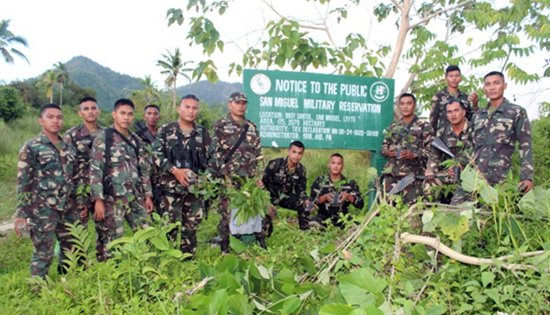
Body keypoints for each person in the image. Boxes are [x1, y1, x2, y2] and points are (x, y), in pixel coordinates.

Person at [451, 71, 534, 204]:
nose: (492, 87)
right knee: (454, 213)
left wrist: (527, 177)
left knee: (492, 219)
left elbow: (525, 145)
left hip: (500, 179)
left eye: (496, 83)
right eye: (488, 84)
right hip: (474, 178)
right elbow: (470, 146)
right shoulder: (479, 115)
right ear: (484, 89)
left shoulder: (516, 112)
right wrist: (459, 165)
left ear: (504, 86)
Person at [14, 104, 76, 278]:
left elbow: (73, 178)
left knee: (70, 248)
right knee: (44, 252)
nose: (55, 121)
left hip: (67, 208)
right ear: (41, 121)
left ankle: (67, 281)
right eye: (50, 117)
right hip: (42, 210)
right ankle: (38, 289)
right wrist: (21, 213)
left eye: (59, 117)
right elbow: (23, 182)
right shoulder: (32, 147)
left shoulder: (68, 147)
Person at [90, 98, 153, 261]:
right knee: (113, 240)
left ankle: (146, 266)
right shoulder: (104, 138)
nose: (126, 117)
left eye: (130, 114)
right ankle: (111, 273)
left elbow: (143, 169)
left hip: (135, 197)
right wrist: (98, 200)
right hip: (113, 199)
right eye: (122, 113)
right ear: (114, 115)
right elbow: (96, 170)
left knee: (148, 233)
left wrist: (148, 195)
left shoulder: (136, 140)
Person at [152, 95, 211, 256]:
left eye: (194, 108)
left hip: (194, 190)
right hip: (170, 190)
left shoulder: (203, 133)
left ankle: (188, 260)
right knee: (168, 227)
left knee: (191, 229)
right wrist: (174, 171)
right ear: (179, 108)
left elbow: (213, 159)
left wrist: (204, 179)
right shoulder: (166, 130)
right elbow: (156, 154)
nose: (191, 111)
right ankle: (167, 261)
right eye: (187, 107)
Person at [208, 92, 263, 252]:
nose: (241, 106)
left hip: (249, 179)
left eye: (243, 103)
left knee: (251, 209)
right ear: (230, 105)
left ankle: (253, 241)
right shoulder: (221, 125)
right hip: (229, 177)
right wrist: (225, 177)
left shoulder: (251, 127)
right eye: (237, 103)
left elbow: (258, 153)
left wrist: (259, 177)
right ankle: (225, 246)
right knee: (227, 211)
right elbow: (215, 153)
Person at [382, 93, 434, 204]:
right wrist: (388, 152)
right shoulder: (394, 127)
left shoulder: (424, 125)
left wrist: (414, 154)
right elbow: (384, 146)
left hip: (412, 177)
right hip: (393, 175)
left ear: (414, 106)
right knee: (389, 208)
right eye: (402, 104)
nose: (405, 107)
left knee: (411, 212)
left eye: (409, 103)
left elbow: (431, 150)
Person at [63, 97, 104, 226]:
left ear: (99, 111)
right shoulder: (71, 135)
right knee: (79, 233)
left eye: (93, 108)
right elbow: (67, 168)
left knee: (107, 232)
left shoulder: (106, 134)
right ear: (80, 113)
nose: (90, 111)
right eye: (86, 109)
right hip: (79, 191)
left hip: (102, 189)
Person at [424, 98, 472, 203]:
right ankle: (433, 214)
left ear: (464, 112)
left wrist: (460, 164)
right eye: (449, 112)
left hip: (471, 174)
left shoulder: (474, 129)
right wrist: (430, 169)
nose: (453, 114)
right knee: (429, 185)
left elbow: (478, 153)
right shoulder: (442, 131)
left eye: (456, 110)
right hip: (449, 173)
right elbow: (434, 154)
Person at [262, 140, 310, 230]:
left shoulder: (301, 170)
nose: (296, 155)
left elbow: (300, 190)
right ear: (289, 151)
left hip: (284, 197)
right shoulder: (275, 164)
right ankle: (263, 232)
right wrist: (266, 203)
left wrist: (306, 200)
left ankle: (305, 231)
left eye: (300, 153)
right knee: (265, 218)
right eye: (294, 152)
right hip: (269, 196)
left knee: (303, 204)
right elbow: (262, 184)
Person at [310, 153, 364, 228]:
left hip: (343, 217)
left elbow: (360, 204)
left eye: (339, 164)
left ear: (342, 166)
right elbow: (311, 202)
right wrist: (324, 198)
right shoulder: (320, 181)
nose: (335, 166)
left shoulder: (349, 183)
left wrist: (348, 197)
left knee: (357, 227)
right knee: (311, 223)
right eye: (333, 163)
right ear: (329, 165)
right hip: (323, 217)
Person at [429, 65, 479, 132]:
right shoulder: (438, 97)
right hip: (444, 137)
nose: (454, 78)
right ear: (446, 78)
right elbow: (433, 120)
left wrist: (475, 105)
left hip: (463, 136)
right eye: (451, 76)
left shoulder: (465, 97)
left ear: (460, 78)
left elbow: (471, 118)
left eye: (456, 76)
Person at [135, 104, 162, 211]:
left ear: (159, 116)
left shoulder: (163, 133)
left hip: (162, 178)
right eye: (149, 113)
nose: (152, 116)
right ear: (144, 116)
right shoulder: (137, 136)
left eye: (155, 114)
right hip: (145, 179)